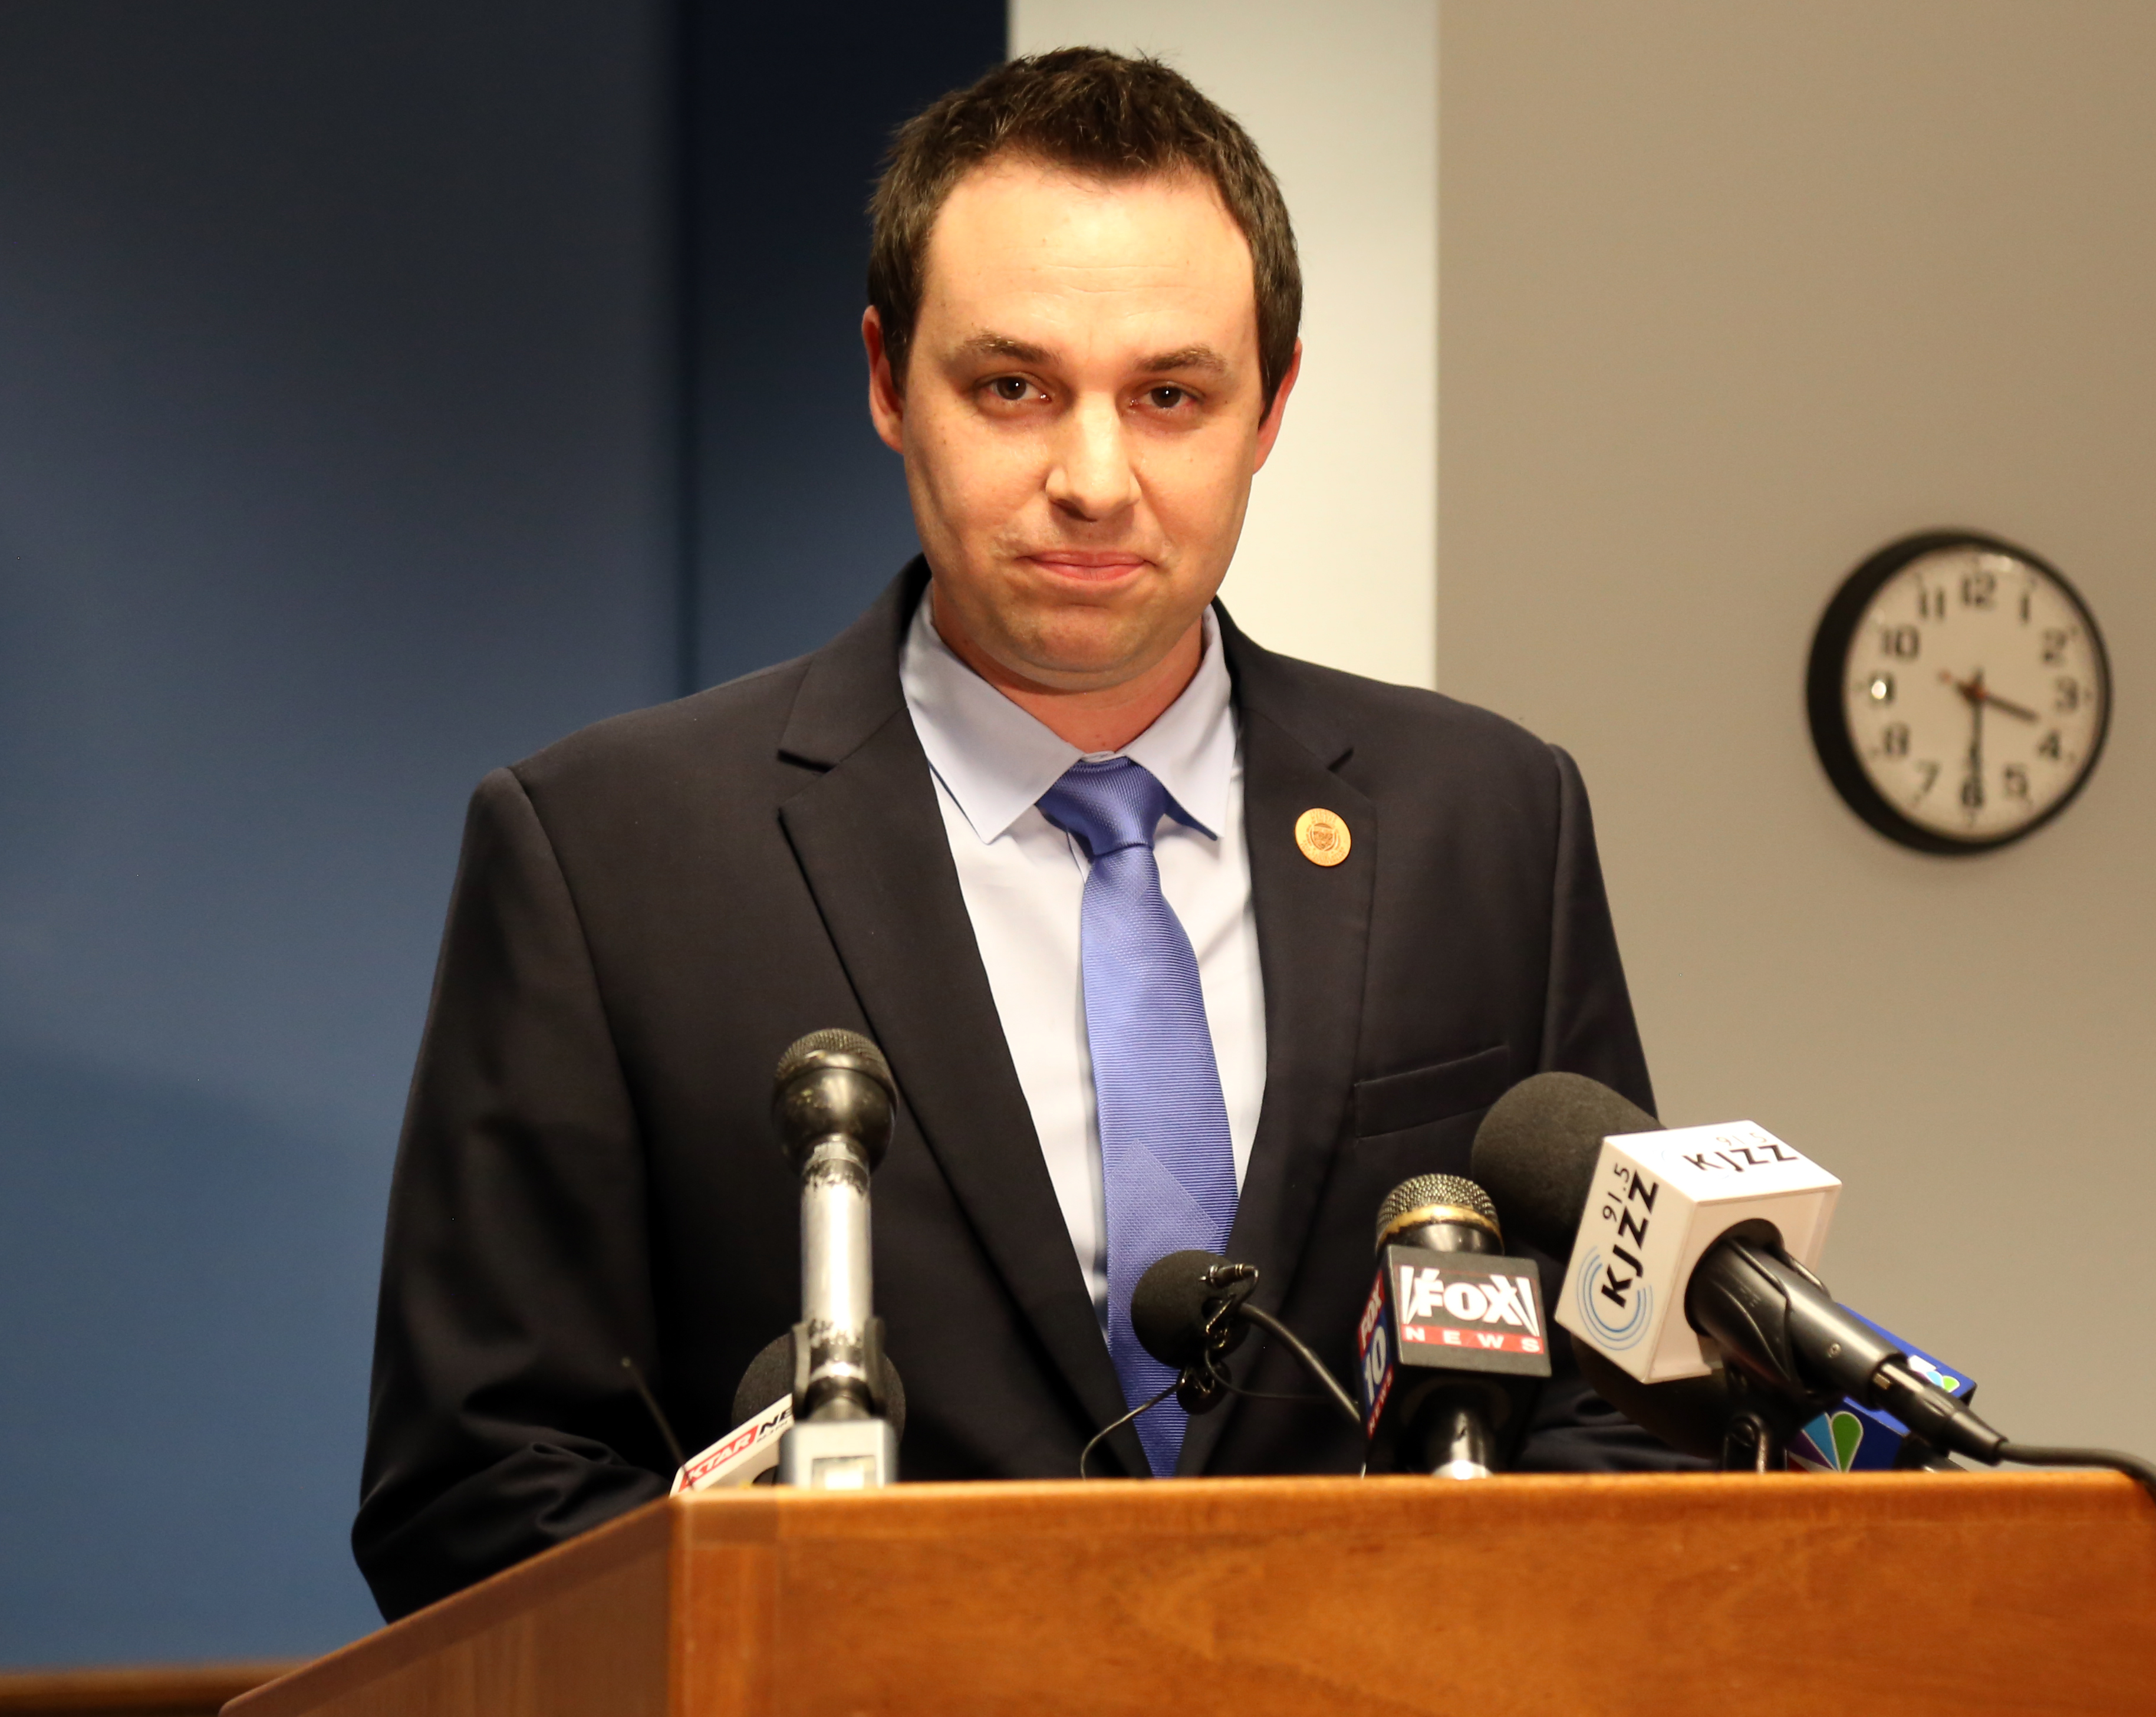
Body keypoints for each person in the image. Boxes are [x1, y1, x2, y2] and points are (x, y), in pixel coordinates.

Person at [353, 47, 1685, 1623]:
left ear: (1273, 408)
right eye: (1014, 389)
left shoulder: (1489, 821)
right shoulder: (604, 853)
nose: (1093, 479)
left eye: (1171, 396)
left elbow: (1621, 1403)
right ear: (883, 381)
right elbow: (482, 1483)